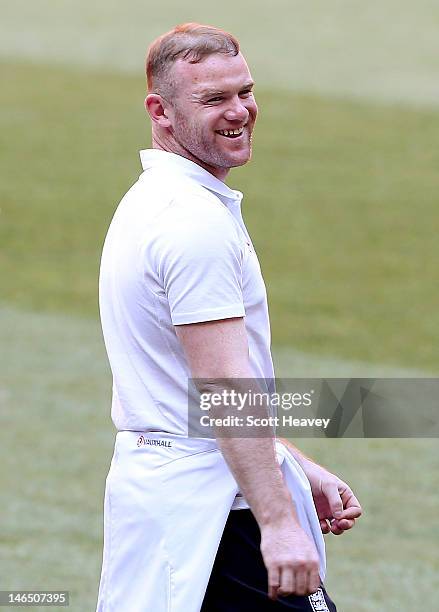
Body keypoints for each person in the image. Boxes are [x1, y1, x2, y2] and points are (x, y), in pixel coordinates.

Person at [96, 23, 362, 612]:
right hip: (220, 516)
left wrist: (295, 463)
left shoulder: (154, 201)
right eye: (213, 99)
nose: (239, 112)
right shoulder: (193, 225)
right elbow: (224, 391)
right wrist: (280, 523)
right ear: (160, 112)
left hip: (175, 498)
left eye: (244, 91)